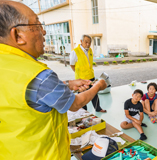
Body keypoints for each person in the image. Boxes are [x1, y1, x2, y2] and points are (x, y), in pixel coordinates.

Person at [0, 1, 107, 160]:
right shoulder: (39, 75)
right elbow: (75, 103)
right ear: (18, 35)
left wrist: (69, 84)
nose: (43, 31)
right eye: (37, 25)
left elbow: (26, 93)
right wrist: (99, 85)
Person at [70, 34, 107, 112]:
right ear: (81, 41)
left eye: (89, 42)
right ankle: (84, 112)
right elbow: (72, 65)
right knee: (82, 97)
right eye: (86, 42)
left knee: (94, 93)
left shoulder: (90, 50)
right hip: (81, 79)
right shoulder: (75, 52)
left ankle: (98, 108)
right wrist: (79, 73)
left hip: (91, 76)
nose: (88, 44)